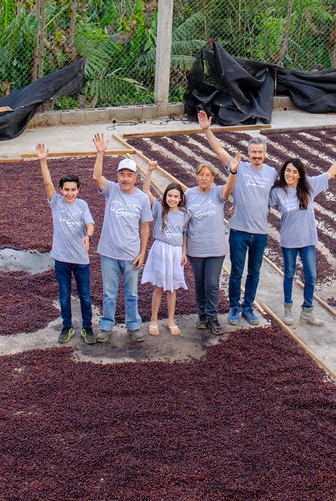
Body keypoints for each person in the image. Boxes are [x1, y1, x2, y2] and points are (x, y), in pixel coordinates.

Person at [197, 109, 274, 326]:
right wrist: (207, 130)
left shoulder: (272, 173)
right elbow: (219, 150)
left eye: (260, 152)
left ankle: (248, 308)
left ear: (265, 154)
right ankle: (233, 307)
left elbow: (282, 193)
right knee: (237, 271)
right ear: (248, 153)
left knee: (254, 272)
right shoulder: (238, 167)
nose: (256, 156)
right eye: (253, 152)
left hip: (260, 232)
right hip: (239, 230)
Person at [268, 136, 336, 327]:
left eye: (294, 172)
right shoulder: (277, 192)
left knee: (311, 275)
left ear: (300, 175)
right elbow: (261, 207)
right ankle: (288, 309)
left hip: (308, 239)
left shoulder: (308, 186)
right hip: (289, 240)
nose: (290, 174)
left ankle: (307, 311)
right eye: (287, 170)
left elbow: (330, 174)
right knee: (289, 274)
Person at [91, 132, 155, 343]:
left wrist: (142, 253)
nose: (125, 178)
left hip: (130, 255)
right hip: (108, 253)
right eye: (122, 174)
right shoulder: (111, 190)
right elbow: (96, 177)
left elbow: (145, 227)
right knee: (109, 293)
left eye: (129, 175)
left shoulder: (142, 199)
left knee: (132, 294)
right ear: (117, 176)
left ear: (136, 177)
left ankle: (133, 325)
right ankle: (106, 326)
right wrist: (100, 153)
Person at [37, 142, 97, 344]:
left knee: (85, 296)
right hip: (61, 259)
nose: (69, 193)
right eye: (66, 189)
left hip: (81, 259)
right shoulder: (56, 203)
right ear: (61, 190)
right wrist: (43, 160)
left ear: (79, 190)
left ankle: (87, 327)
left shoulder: (82, 205)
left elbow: (90, 224)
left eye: (73, 189)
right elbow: (47, 184)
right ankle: (67, 326)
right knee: (64, 296)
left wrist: (87, 236)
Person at [184, 161, 233, 335]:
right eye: (201, 174)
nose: (204, 178)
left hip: (215, 247)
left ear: (213, 177)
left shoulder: (217, 193)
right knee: (199, 282)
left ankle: (213, 316)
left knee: (212, 283)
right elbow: (182, 223)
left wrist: (233, 172)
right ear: (196, 176)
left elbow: (229, 189)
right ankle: (202, 314)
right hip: (195, 247)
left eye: (207, 175)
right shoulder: (188, 194)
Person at [142, 181, 190, 335]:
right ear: (165, 196)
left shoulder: (185, 215)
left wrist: (184, 253)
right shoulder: (159, 209)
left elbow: (184, 234)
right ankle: (154, 319)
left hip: (175, 252)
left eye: (176, 196)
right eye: (170, 195)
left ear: (181, 198)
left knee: (172, 288)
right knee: (159, 287)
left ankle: (171, 320)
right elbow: (146, 191)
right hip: (161, 250)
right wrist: (149, 172)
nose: (172, 199)